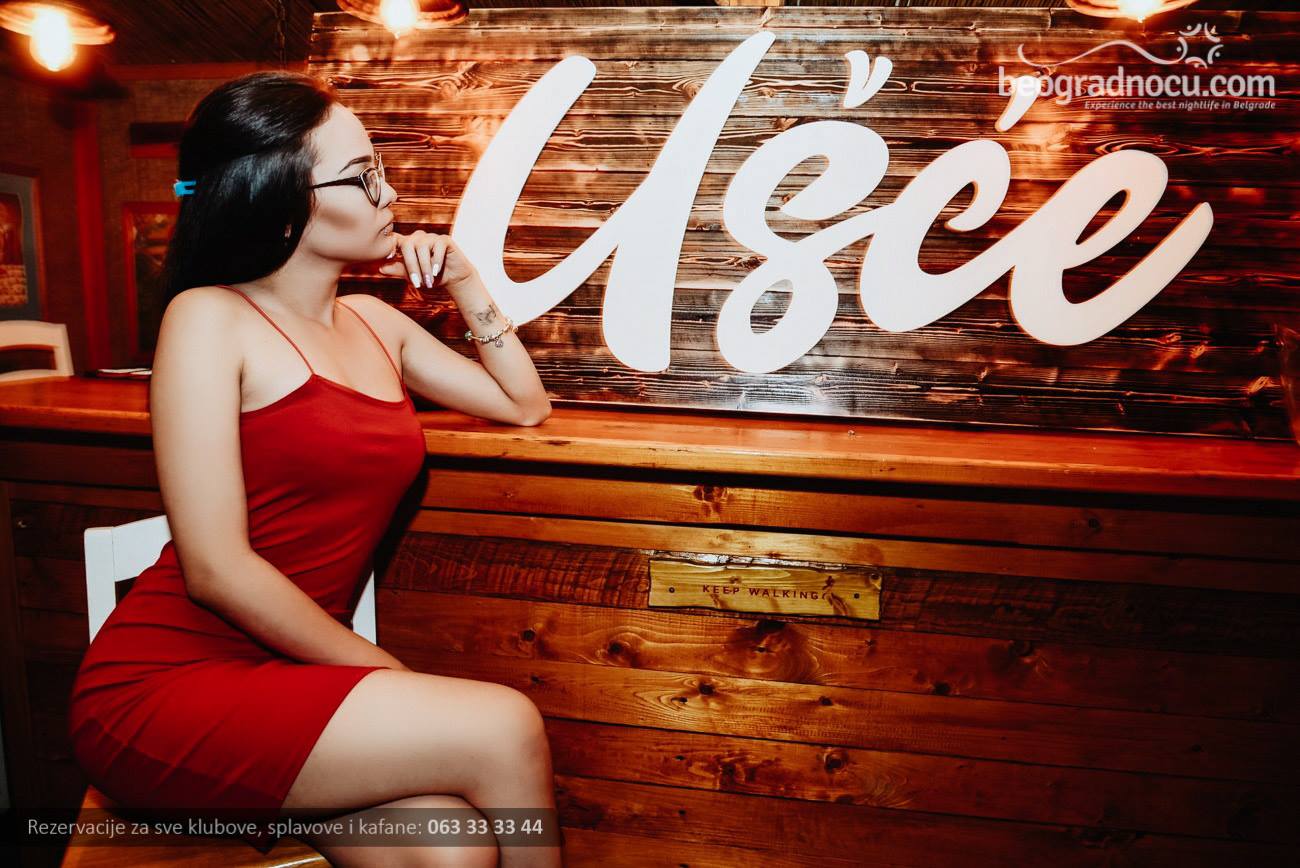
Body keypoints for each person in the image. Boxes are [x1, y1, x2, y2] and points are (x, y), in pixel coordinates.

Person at [66, 70, 561, 868]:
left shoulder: (373, 323)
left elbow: (524, 404)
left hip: (293, 676)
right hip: (162, 686)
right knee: (505, 725)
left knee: (453, 849)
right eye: (362, 177)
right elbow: (217, 571)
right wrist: (383, 673)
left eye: (381, 171)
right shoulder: (208, 318)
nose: (389, 193)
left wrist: (466, 280)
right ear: (281, 200)